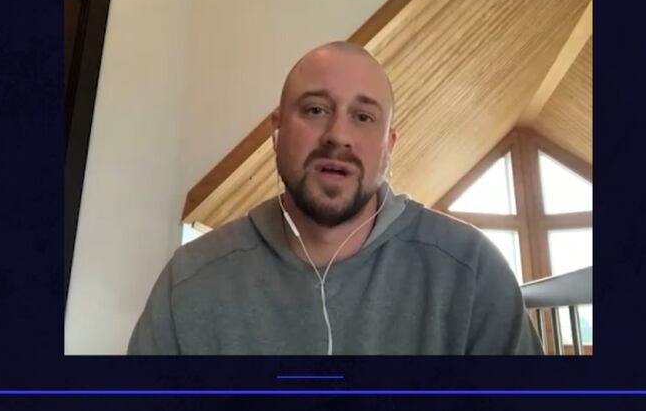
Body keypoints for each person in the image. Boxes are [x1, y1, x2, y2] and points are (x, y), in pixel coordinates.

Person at [128, 41, 544, 355]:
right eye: (314, 110)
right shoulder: (190, 282)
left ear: (388, 145)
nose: (338, 136)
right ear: (277, 130)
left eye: (363, 117)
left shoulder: (471, 273)